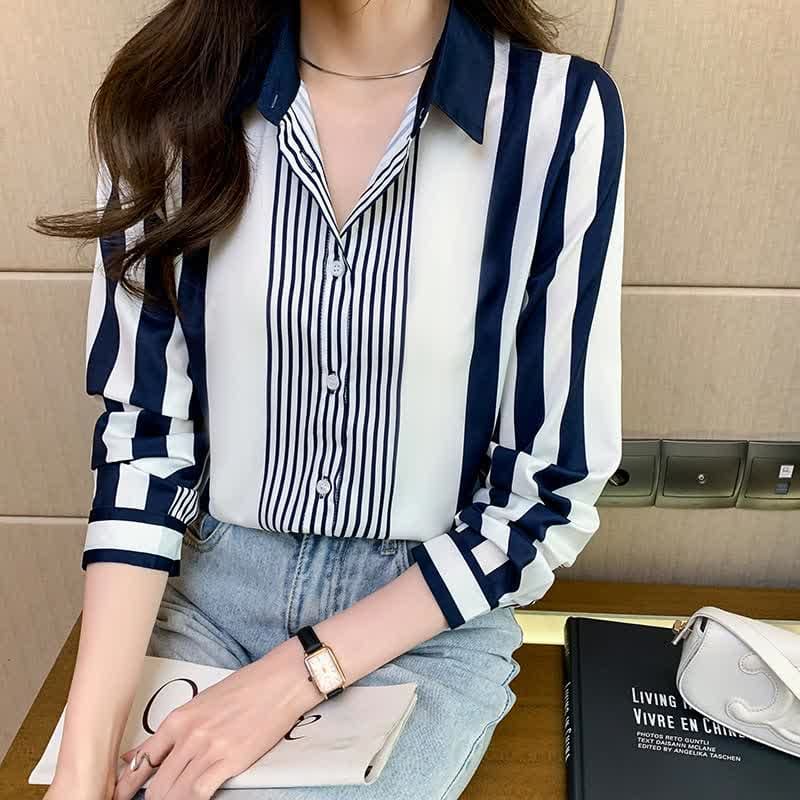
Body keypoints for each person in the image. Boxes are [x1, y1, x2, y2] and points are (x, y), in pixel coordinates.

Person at [34, 0, 625, 797]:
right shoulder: (171, 97)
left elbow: (543, 492)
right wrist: (82, 765)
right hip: (209, 588)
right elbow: (143, 445)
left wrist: (298, 673)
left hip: (418, 618)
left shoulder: (557, 116)